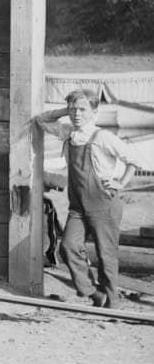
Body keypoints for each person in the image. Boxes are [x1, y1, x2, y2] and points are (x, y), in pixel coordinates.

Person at [35, 88, 145, 308]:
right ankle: (93, 293)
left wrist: (120, 183)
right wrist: (64, 110)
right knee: (67, 247)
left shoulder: (103, 137)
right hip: (77, 207)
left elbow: (134, 159)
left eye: (82, 109)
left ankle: (113, 302)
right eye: (73, 109)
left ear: (95, 112)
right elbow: (41, 120)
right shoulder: (68, 133)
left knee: (106, 255)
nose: (77, 114)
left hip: (104, 203)